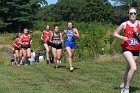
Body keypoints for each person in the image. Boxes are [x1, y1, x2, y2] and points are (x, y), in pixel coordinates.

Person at [113, 7, 140, 93]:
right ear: (128, 15)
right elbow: (115, 34)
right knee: (134, 68)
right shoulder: (124, 24)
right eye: (131, 13)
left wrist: (137, 33)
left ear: (136, 14)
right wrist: (122, 37)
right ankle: (126, 88)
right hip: (126, 48)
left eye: (134, 13)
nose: (133, 15)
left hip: (136, 49)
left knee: (129, 69)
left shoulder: (139, 23)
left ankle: (123, 84)